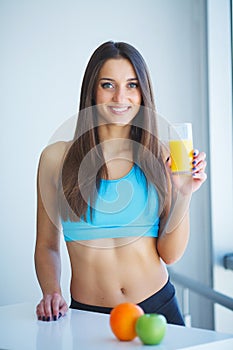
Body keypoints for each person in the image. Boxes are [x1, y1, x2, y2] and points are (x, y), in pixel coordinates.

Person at [35, 41, 207, 324]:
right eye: (107, 85)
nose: (120, 97)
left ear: (143, 92)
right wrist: (51, 292)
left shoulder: (160, 155)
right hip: (89, 316)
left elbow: (170, 254)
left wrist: (184, 193)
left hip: (158, 308)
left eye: (131, 85)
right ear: (92, 89)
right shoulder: (56, 158)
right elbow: (46, 245)